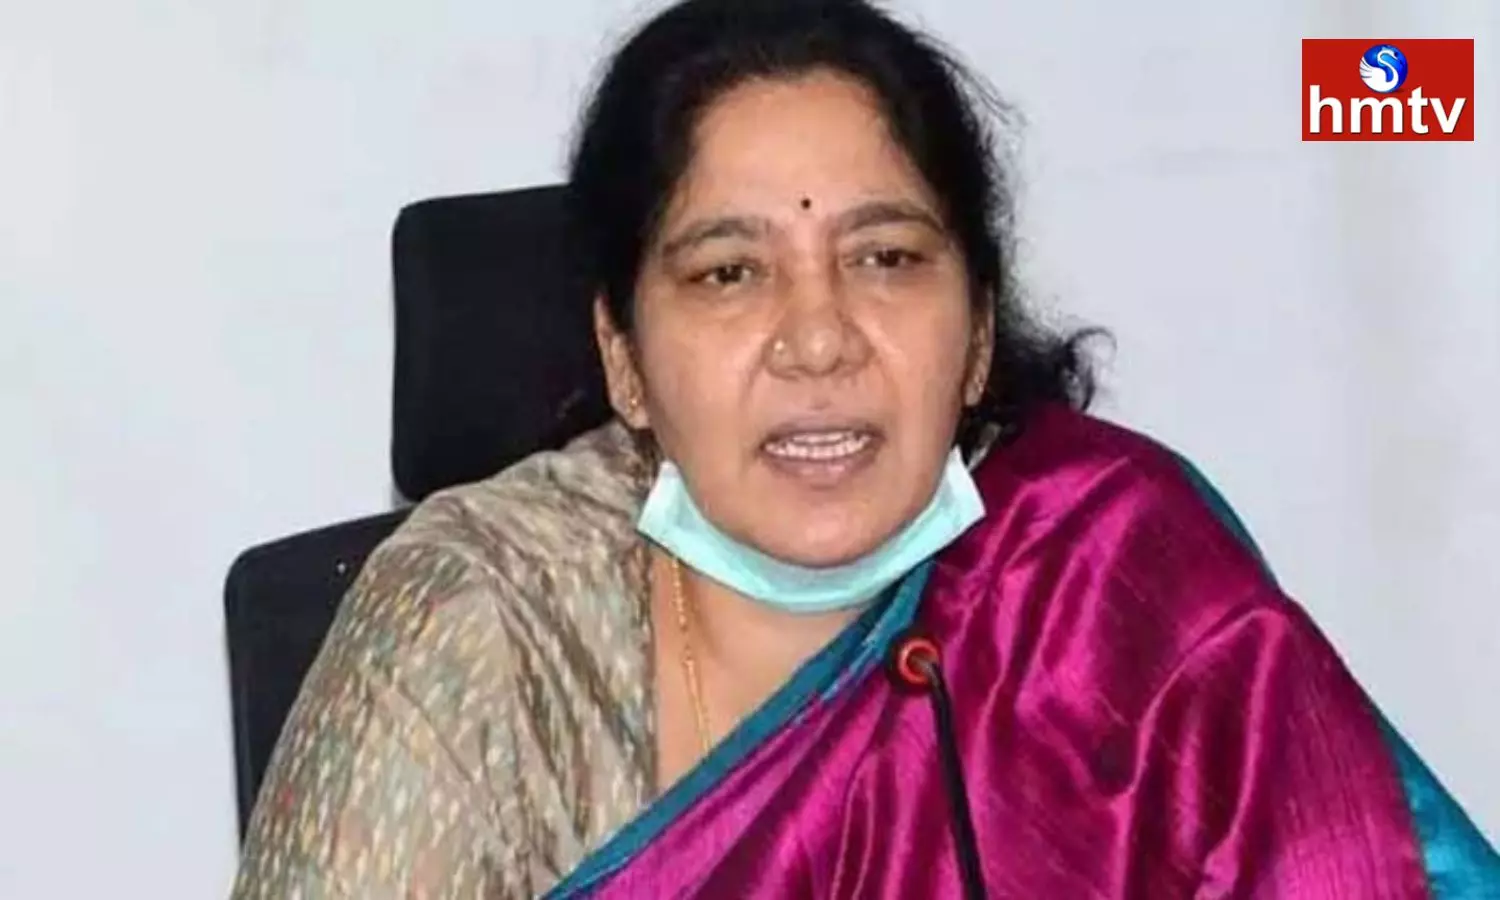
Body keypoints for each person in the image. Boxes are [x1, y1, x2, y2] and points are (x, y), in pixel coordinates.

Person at [232, 1, 1499, 896]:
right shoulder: (486, 622)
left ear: (978, 330)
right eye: (729, 273)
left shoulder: (1104, 576)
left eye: (886, 259)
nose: (820, 339)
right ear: (624, 356)